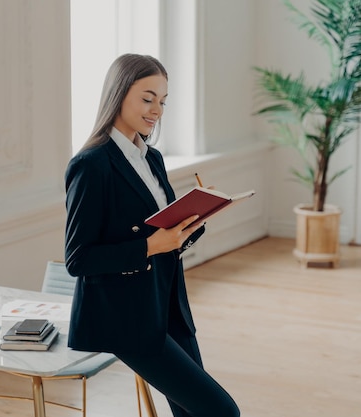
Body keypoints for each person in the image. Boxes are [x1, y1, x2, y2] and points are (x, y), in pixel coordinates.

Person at [64, 53, 240, 417]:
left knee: (191, 412)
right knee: (221, 411)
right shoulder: (91, 165)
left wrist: (195, 220)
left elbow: (166, 235)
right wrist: (149, 246)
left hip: (168, 303)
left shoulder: (152, 158)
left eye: (162, 101)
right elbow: (78, 259)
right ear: (118, 94)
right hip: (126, 317)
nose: (157, 110)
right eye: (147, 98)